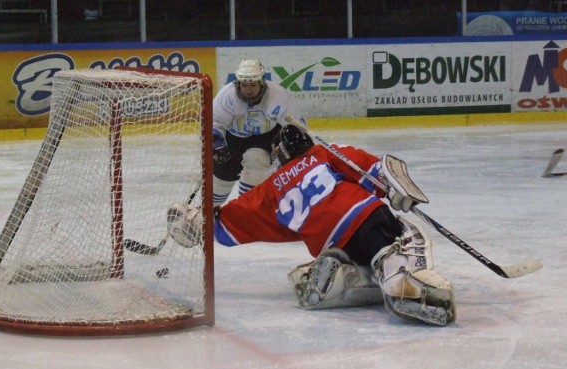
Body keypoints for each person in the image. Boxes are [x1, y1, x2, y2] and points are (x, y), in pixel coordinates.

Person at [168, 125, 455, 326]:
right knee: (402, 234)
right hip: (363, 217)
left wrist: (198, 223)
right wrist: (398, 187)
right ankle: (397, 275)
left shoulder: (269, 191)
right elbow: (375, 169)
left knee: (358, 257)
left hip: (328, 242)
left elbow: (230, 223)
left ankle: (348, 273)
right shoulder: (326, 154)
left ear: (280, 155)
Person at [212, 59, 306, 206]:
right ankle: (208, 214)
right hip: (233, 137)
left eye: (253, 85)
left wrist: (296, 145)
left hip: (264, 137)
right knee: (221, 180)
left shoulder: (278, 96)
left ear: (261, 83)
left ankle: (246, 210)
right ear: (237, 83)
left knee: (256, 162)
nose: (248, 90)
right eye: (244, 85)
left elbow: (297, 126)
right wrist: (217, 144)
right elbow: (214, 123)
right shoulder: (227, 96)